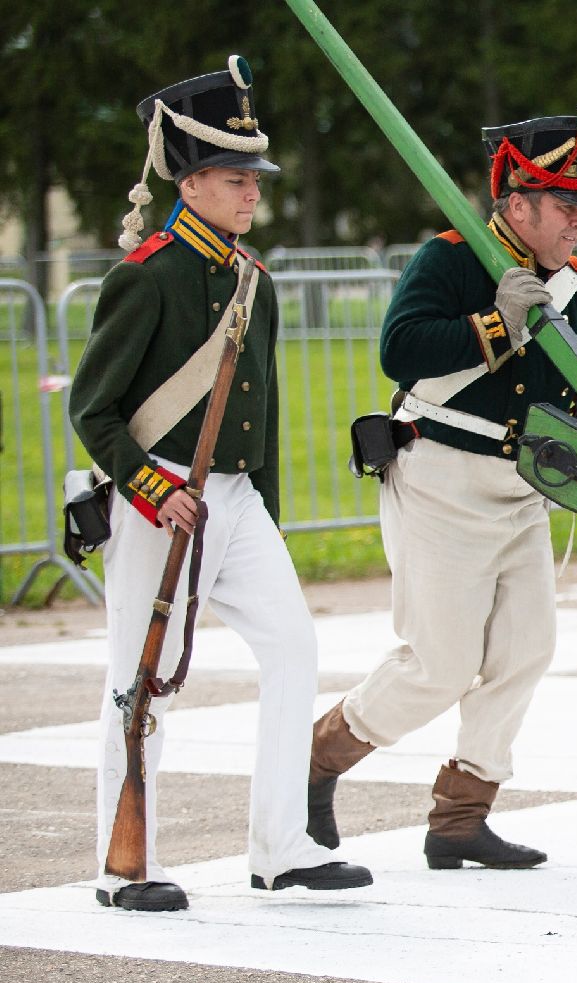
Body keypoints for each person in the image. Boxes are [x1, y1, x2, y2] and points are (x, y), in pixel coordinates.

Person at [70, 58, 371, 911]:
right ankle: (122, 864)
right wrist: (148, 491)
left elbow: (261, 410)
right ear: (194, 181)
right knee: (139, 679)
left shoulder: (252, 280)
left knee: (293, 647)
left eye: (254, 180)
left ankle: (280, 847)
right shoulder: (147, 276)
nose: (252, 194)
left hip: (234, 502)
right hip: (160, 498)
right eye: (238, 180)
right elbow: (93, 411)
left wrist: (263, 511)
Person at [306, 107, 577, 871]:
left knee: (526, 651)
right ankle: (314, 764)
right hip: (441, 480)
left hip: (523, 487)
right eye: (565, 204)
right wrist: (496, 322)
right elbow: (401, 351)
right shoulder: (451, 258)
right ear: (517, 204)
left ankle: (460, 818)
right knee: (439, 664)